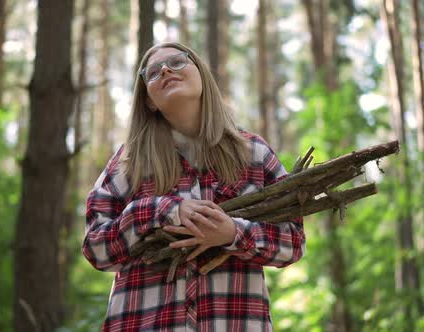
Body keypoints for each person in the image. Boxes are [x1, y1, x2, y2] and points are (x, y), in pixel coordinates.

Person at [82, 42, 305, 332]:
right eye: (153, 72)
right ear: (148, 100)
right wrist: (159, 210)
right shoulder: (128, 162)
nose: (165, 69)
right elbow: (96, 248)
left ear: (201, 75)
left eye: (177, 62)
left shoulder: (253, 153)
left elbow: (293, 243)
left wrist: (232, 233)